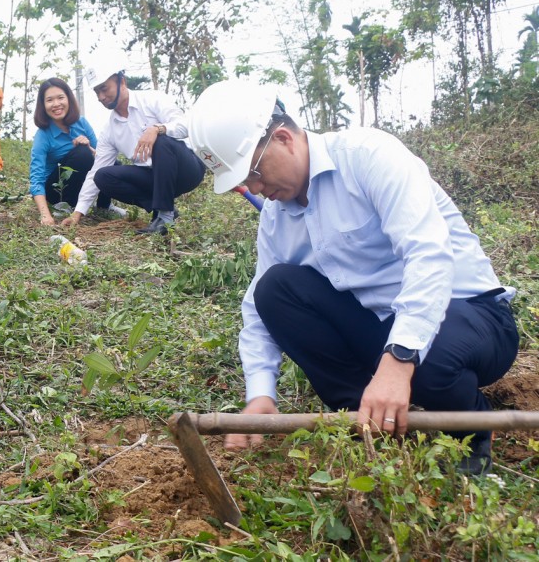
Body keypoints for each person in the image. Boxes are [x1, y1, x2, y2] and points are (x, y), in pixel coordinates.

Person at [186, 80, 518, 474]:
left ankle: (472, 432)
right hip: (382, 326)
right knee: (275, 288)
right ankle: (374, 421)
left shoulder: (368, 156)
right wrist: (260, 394)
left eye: (253, 173)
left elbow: (428, 254)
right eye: (244, 184)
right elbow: (258, 310)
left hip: (469, 315)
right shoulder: (277, 218)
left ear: (283, 138)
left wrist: (398, 361)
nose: (255, 189)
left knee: (424, 355)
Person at [60, 52, 204, 234]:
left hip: (186, 169)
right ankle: (163, 210)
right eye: (97, 92)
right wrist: (77, 213)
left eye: (105, 88)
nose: (101, 97)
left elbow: (186, 126)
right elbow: (96, 170)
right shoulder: (110, 129)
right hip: (154, 178)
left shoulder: (153, 99)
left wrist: (157, 129)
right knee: (103, 176)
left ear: (122, 82)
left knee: (160, 142)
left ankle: (165, 219)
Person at [29, 77, 121, 225]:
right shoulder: (43, 135)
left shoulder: (81, 122)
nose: (56, 104)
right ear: (43, 105)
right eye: (50, 100)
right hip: (56, 190)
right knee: (82, 155)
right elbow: (36, 179)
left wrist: (89, 147)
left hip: (82, 182)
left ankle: (104, 206)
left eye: (60, 98)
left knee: (114, 164)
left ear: (68, 99)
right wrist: (45, 215)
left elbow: (102, 156)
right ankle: (69, 206)